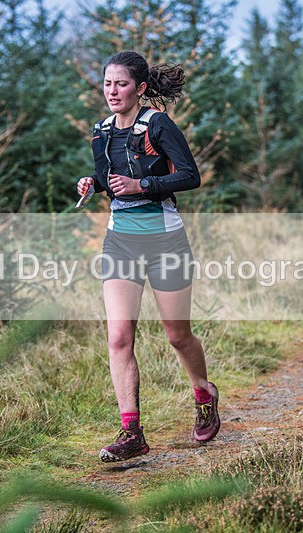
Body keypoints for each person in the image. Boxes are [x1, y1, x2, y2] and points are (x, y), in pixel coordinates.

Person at [76, 50, 220, 463]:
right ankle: (131, 431)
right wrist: (93, 183)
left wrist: (143, 185)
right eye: (107, 84)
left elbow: (189, 175)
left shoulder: (157, 123)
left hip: (164, 240)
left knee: (177, 335)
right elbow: (109, 177)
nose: (112, 91)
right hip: (120, 240)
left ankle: (204, 395)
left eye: (120, 84)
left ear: (140, 88)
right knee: (119, 337)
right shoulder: (101, 131)